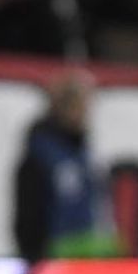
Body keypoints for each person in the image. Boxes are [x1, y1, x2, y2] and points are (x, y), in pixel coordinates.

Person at [13, 72, 118, 262]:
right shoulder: (41, 157)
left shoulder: (85, 153)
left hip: (91, 260)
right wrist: (34, 257)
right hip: (57, 261)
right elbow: (28, 216)